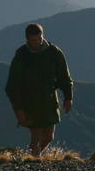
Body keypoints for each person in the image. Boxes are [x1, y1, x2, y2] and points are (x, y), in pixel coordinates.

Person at [5, 23, 74, 157]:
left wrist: (68, 97)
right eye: (33, 40)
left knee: (49, 137)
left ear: (43, 36)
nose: (37, 43)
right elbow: (12, 85)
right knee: (35, 137)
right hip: (29, 103)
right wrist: (18, 108)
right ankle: (33, 162)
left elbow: (64, 77)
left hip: (49, 101)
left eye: (39, 39)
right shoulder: (22, 55)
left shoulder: (54, 53)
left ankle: (33, 158)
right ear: (27, 39)